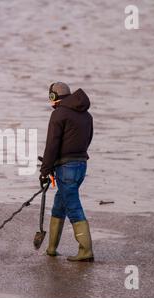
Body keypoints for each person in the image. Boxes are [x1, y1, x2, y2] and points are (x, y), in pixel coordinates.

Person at [39, 82, 94, 262]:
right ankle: (52, 248)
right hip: (81, 166)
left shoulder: (58, 114)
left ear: (54, 97)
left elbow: (52, 145)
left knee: (73, 207)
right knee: (59, 205)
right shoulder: (87, 116)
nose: (50, 101)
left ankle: (86, 250)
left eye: (50, 97)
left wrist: (45, 170)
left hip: (66, 168)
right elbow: (88, 140)